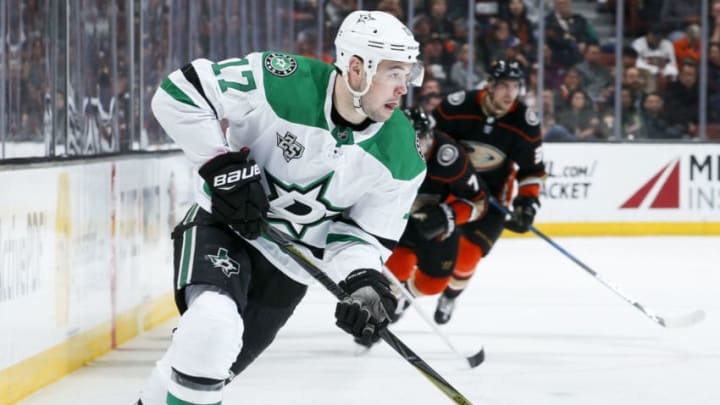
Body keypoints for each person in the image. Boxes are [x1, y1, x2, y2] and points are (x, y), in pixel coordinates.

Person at [136, 10, 426, 405]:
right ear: (357, 68)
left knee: (199, 366)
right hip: (224, 228)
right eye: (394, 73)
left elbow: (362, 236)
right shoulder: (280, 79)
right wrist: (220, 165)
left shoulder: (402, 155)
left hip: (291, 269)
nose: (403, 88)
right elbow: (177, 94)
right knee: (211, 328)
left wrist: (363, 281)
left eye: (407, 75)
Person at [430, 59, 546, 324]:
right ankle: (404, 294)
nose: (510, 93)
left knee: (467, 259)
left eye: (515, 87)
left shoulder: (524, 122)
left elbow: (532, 170)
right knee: (430, 244)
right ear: (490, 85)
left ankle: (450, 296)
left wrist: (527, 205)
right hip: (452, 190)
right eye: (504, 85)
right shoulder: (456, 107)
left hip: (492, 200)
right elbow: (428, 145)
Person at [383, 107, 489, 327]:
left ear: (430, 136)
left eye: (421, 138)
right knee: (394, 272)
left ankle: (405, 295)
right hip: (395, 223)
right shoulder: (380, 150)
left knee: (433, 283)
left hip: (434, 222)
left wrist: (448, 215)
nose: (416, 146)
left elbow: (479, 203)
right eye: (408, 139)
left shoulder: (449, 156)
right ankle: (383, 303)